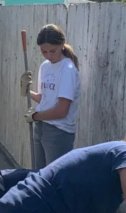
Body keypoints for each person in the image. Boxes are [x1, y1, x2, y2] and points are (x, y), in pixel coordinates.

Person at [20, 24, 81, 169]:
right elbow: (45, 99)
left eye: (52, 51)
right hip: (41, 127)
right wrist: (26, 91)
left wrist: (35, 116)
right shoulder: (45, 66)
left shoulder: (67, 70)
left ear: (62, 44)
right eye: (44, 51)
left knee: (54, 177)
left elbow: (62, 111)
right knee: (39, 175)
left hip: (59, 132)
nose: (48, 55)